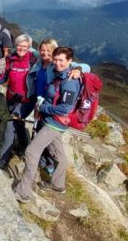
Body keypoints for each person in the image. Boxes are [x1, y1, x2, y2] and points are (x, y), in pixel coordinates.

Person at [14, 47, 82, 199]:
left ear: (69, 61)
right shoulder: (60, 74)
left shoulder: (70, 82)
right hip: (51, 120)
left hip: (55, 122)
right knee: (59, 154)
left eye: (61, 60)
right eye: (56, 60)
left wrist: (43, 107)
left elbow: (66, 107)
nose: (57, 63)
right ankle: (58, 184)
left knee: (31, 151)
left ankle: (22, 192)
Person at [0, 34, 36, 169]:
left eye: (25, 46)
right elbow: (4, 77)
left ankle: (2, 160)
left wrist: (78, 69)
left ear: (29, 48)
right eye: (19, 45)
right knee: (18, 125)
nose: (21, 48)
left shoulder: (34, 60)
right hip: (11, 98)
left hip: (26, 101)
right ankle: (24, 147)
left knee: (10, 126)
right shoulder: (11, 59)